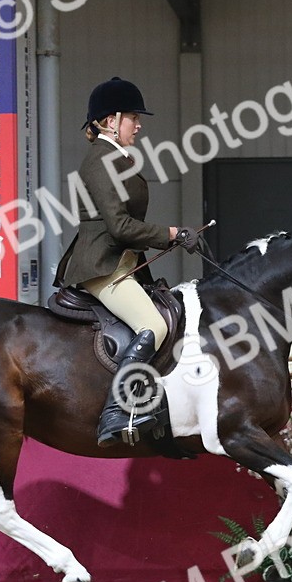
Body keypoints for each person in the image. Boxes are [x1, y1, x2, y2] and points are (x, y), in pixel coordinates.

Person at [54, 77, 199, 447]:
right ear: (111, 119)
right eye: (134, 117)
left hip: (122, 262)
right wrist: (169, 234)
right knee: (153, 324)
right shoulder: (100, 160)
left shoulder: (116, 158)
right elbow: (119, 226)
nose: (139, 124)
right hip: (102, 265)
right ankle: (118, 410)